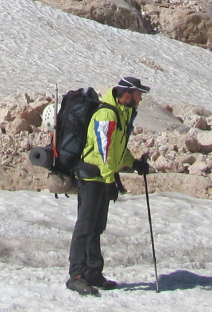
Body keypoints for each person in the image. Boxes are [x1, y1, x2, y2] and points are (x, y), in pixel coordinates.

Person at [67, 76, 153, 296]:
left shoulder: (122, 114)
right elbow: (103, 150)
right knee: (85, 227)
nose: (140, 98)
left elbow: (117, 150)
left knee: (96, 227)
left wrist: (134, 164)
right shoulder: (107, 114)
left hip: (103, 176)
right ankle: (76, 275)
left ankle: (93, 273)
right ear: (127, 93)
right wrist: (109, 181)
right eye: (138, 94)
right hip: (91, 176)